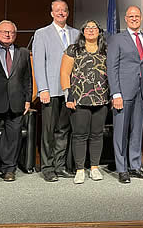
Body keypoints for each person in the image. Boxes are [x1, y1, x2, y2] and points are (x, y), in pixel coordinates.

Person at [32, 0, 79, 182]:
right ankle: (48, 167)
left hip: (68, 91)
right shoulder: (42, 34)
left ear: (68, 13)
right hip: (50, 90)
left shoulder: (76, 34)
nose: (61, 13)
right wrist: (42, 88)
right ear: (51, 13)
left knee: (63, 129)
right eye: (57, 10)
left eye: (64, 10)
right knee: (49, 131)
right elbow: (38, 62)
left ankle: (60, 166)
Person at [107, 6, 143, 184]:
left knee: (137, 131)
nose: (134, 19)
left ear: (141, 18)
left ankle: (135, 166)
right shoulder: (116, 40)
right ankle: (122, 169)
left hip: (142, 92)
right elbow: (112, 68)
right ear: (126, 19)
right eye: (131, 16)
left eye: (137, 16)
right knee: (120, 132)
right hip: (123, 93)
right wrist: (116, 93)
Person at [60, 20, 110, 184]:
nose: (90, 30)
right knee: (80, 135)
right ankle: (80, 169)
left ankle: (94, 168)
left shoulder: (106, 50)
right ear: (82, 32)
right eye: (87, 28)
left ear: (99, 31)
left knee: (97, 135)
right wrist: (69, 95)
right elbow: (65, 73)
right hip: (79, 99)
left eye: (94, 28)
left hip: (101, 99)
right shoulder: (74, 50)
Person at [0, 20, 32, 184]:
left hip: (16, 103)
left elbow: (27, 79)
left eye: (11, 32)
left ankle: (9, 169)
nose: (7, 34)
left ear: (15, 35)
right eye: (4, 32)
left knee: (12, 138)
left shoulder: (23, 52)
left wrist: (27, 100)